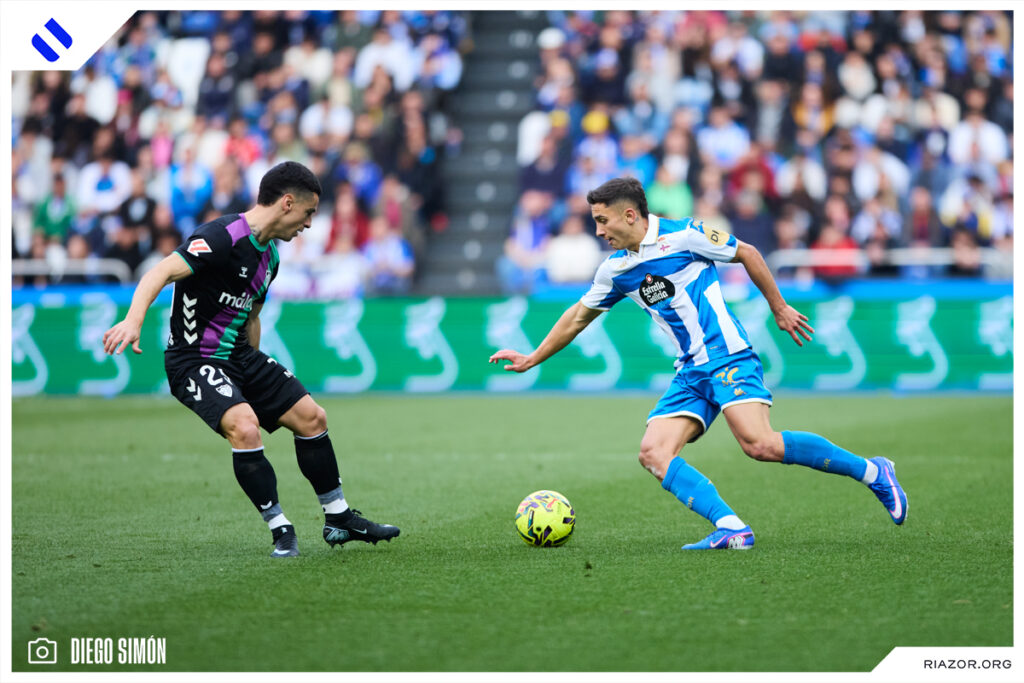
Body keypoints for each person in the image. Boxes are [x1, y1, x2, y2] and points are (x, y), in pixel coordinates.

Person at [489, 177, 907, 550]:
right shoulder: (615, 269)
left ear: (630, 215)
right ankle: (731, 528)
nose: (598, 231)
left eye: (603, 221)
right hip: (689, 371)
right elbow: (578, 317)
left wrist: (779, 308)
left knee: (758, 444)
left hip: (728, 355)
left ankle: (873, 471)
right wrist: (533, 357)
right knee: (653, 452)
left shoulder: (685, 234)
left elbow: (748, 252)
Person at [102, 161, 399, 557]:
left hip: (239, 356)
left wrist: (255, 375)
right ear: (287, 203)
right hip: (193, 359)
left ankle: (338, 518)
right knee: (245, 426)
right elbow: (160, 271)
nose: (309, 224)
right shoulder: (221, 237)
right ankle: (280, 528)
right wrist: (133, 320)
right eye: (309, 213)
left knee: (312, 418)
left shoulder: (270, 258)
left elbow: (251, 315)